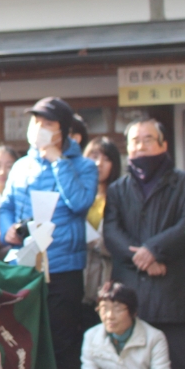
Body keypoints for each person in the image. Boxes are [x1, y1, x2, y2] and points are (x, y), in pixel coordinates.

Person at [0, 97, 99, 369]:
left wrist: (58, 160)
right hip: (23, 264)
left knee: (62, 341)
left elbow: (80, 203)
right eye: (35, 121)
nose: (39, 127)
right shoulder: (21, 166)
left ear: (64, 130)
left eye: (47, 123)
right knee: (23, 338)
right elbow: (6, 206)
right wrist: (7, 229)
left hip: (63, 267)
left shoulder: (84, 166)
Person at [103, 119, 185, 369]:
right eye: (134, 141)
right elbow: (112, 233)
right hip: (131, 298)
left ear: (164, 144)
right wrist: (142, 259)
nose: (140, 146)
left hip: (176, 298)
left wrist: (155, 250)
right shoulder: (117, 189)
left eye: (147, 139)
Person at [79, 281, 175, 369]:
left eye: (118, 309)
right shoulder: (91, 336)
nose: (109, 316)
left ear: (133, 312)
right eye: (104, 308)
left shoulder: (154, 337)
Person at [82, 138, 122, 327]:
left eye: (106, 158)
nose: (99, 163)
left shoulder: (121, 195)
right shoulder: (77, 194)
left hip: (108, 276)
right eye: (94, 156)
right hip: (79, 274)